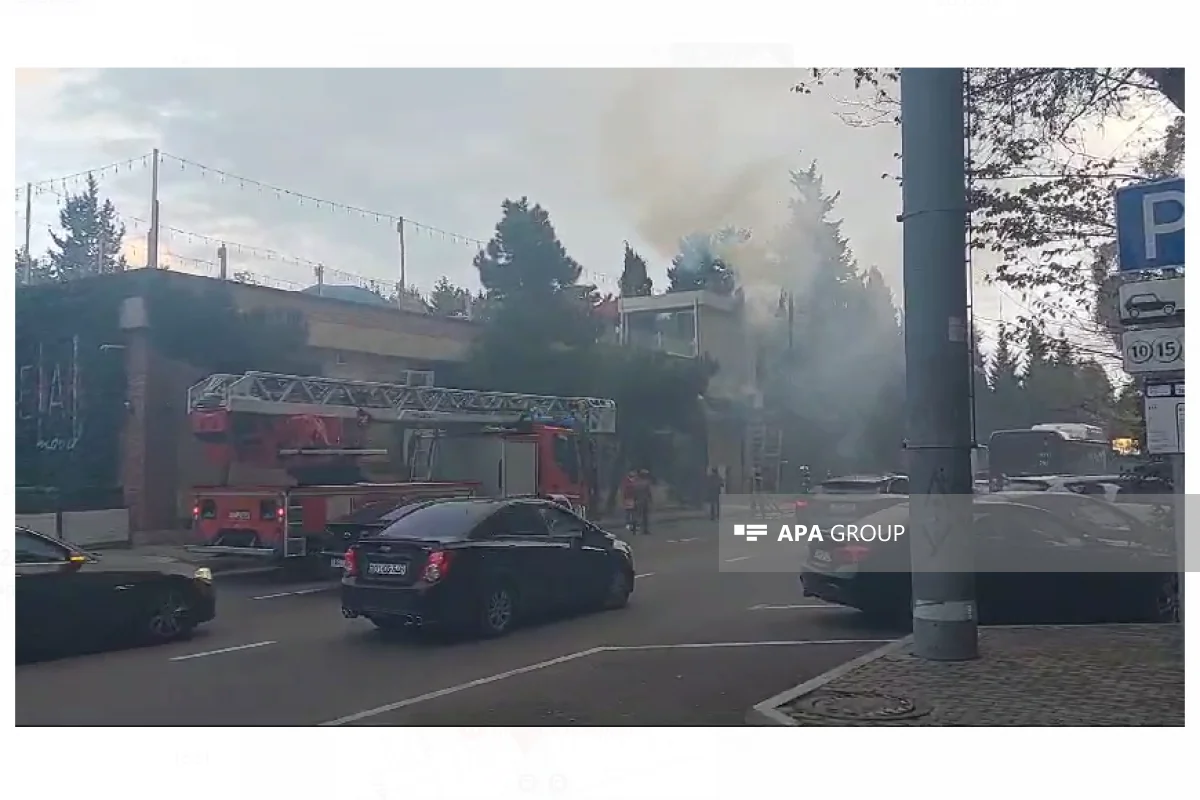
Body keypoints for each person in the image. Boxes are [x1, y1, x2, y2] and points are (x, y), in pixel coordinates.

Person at [634, 468, 653, 535]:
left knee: (638, 515)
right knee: (644, 516)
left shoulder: (636, 482)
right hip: (644, 501)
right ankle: (644, 530)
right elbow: (648, 493)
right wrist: (651, 500)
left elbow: (634, 493)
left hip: (638, 501)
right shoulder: (646, 483)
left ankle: (636, 529)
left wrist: (635, 500)